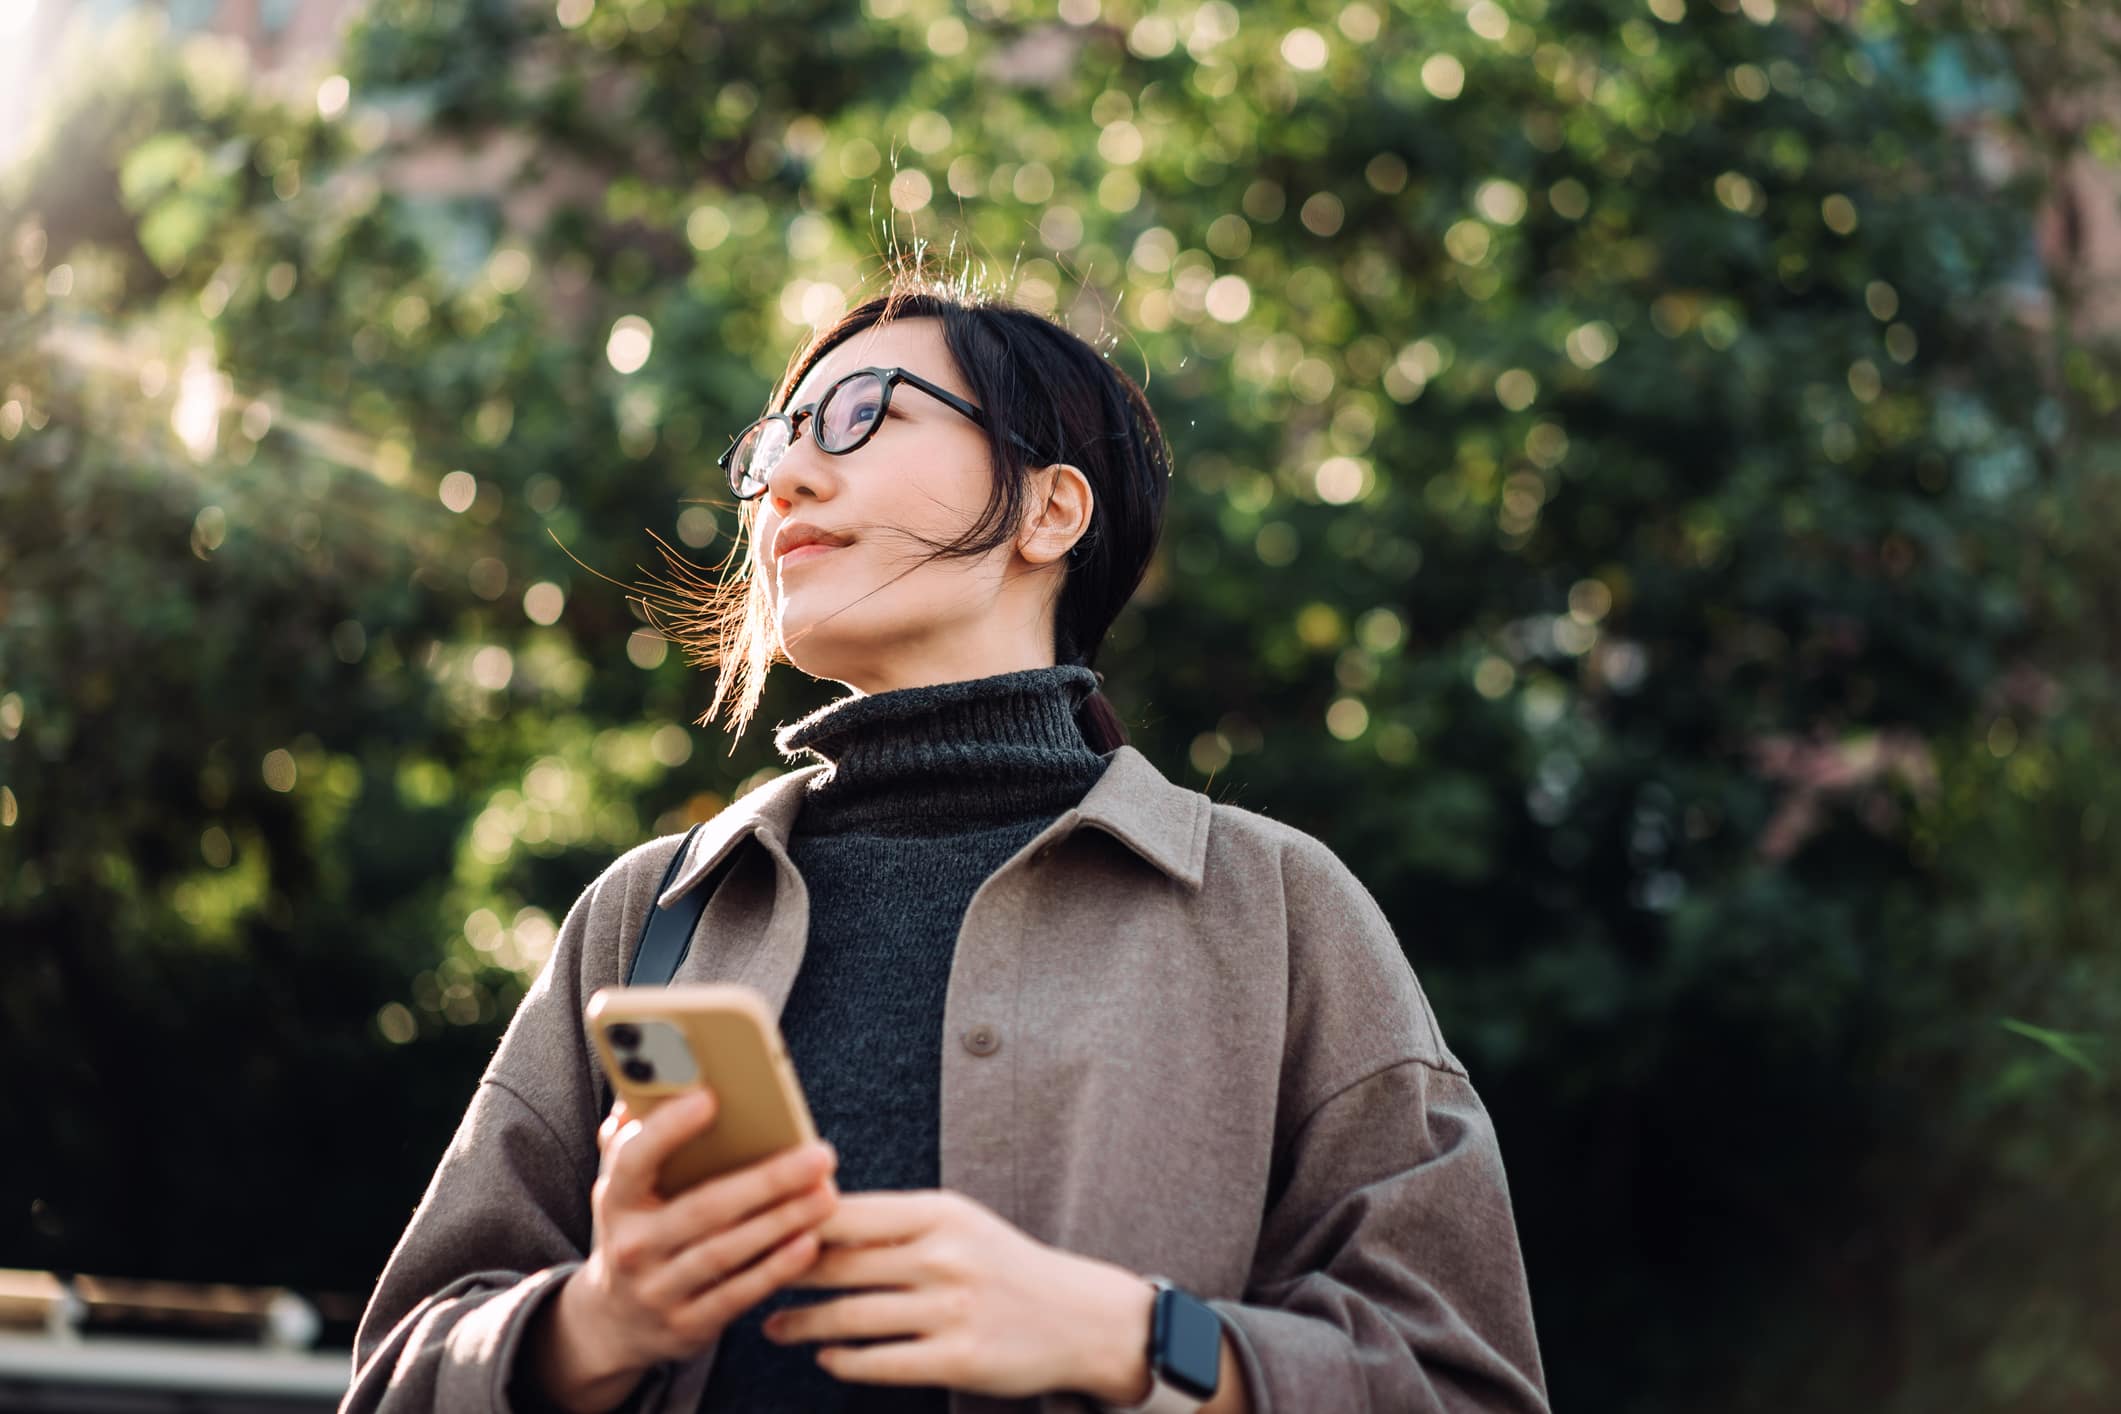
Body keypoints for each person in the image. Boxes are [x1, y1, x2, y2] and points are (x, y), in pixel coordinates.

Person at [342, 275, 1550, 1414]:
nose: (786, 481)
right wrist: (596, 1322)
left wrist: (1131, 1336)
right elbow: (396, 1373)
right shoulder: (646, 912)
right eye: (774, 443)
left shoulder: (1276, 907)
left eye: (861, 414)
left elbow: (1460, 1379)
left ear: (1048, 508)